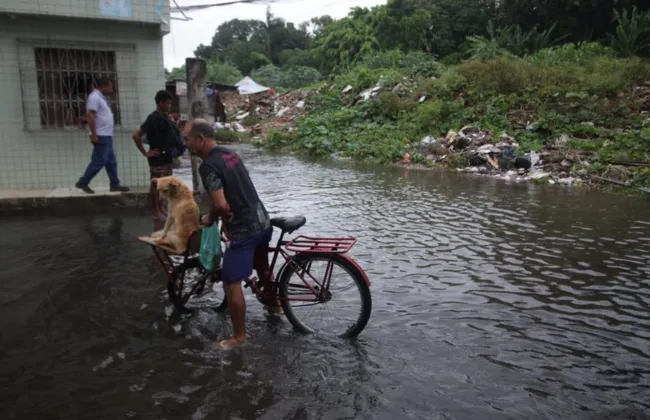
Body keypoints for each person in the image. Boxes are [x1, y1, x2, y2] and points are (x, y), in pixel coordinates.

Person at [183, 118, 278, 350]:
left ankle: (239, 337)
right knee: (263, 267)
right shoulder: (229, 153)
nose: (185, 144)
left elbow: (222, 205)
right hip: (262, 221)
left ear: (200, 139)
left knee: (231, 282)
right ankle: (275, 305)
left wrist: (209, 218)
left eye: (187, 139)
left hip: (244, 230)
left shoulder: (207, 166)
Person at [132, 90, 181, 220]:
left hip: (167, 156)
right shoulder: (152, 118)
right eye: (168, 104)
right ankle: (156, 211)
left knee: (166, 185)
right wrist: (146, 153)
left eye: (170, 104)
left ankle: (163, 208)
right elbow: (136, 135)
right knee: (156, 185)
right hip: (157, 158)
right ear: (160, 103)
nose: (169, 106)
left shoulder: (165, 117)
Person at [75, 77, 130, 194]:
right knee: (99, 161)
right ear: (103, 86)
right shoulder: (94, 97)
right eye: (110, 86)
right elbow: (90, 115)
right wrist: (94, 134)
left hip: (107, 135)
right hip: (100, 135)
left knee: (111, 162)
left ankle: (115, 184)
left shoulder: (101, 97)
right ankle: (83, 182)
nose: (111, 89)